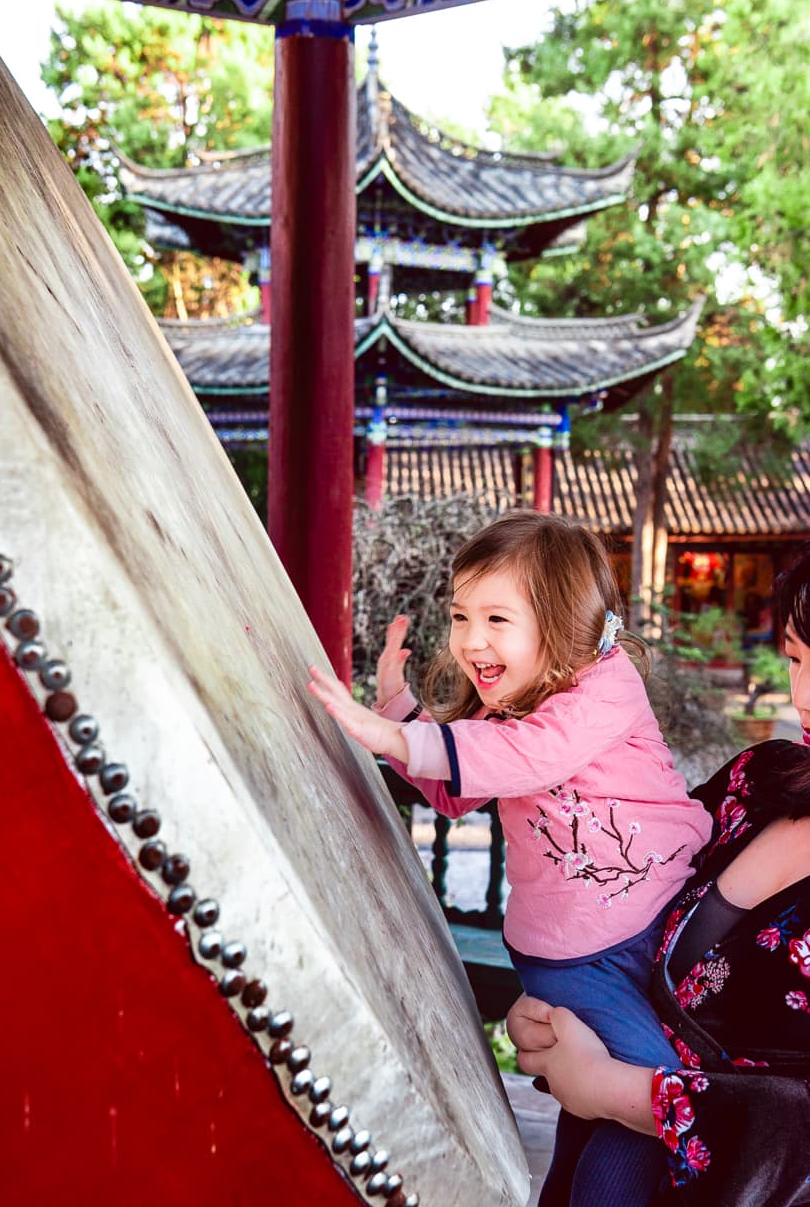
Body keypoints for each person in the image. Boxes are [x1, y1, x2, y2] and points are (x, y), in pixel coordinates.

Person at [308, 511, 713, 1204]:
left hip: (650, 936)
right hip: (585, 958)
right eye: (462, 617)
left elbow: (523, 756)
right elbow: (459, 789)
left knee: (600, 1108)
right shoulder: (515, 709)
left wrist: (397, 736)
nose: (470, 641)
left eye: (496, 619)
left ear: (559, 624)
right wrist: (399, 717)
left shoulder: (604, 691)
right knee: (646, 1098)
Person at [508, 541, 810, 1205]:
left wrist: (620, 1091)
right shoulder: (756, 782)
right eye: (794, 657)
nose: (802, 694)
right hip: (603, 1161)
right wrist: (564, 1000)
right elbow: (619, 906)